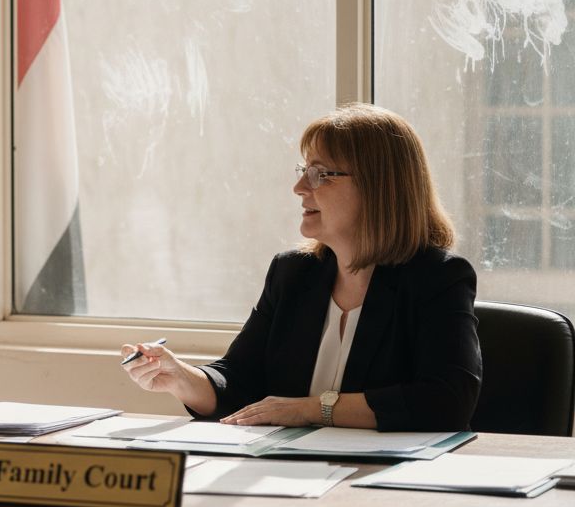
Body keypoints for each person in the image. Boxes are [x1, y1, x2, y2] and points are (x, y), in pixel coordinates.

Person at [122, 104, 481, 432]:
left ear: (378, 187)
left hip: (389, 485)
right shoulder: (293, 273)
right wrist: (181, 377)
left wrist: (312, 409)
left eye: (320, 174)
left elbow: (446, 401)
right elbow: (240, 383)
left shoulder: (438, 278)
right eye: (303, 171)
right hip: (295, 473)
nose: (299, 187)